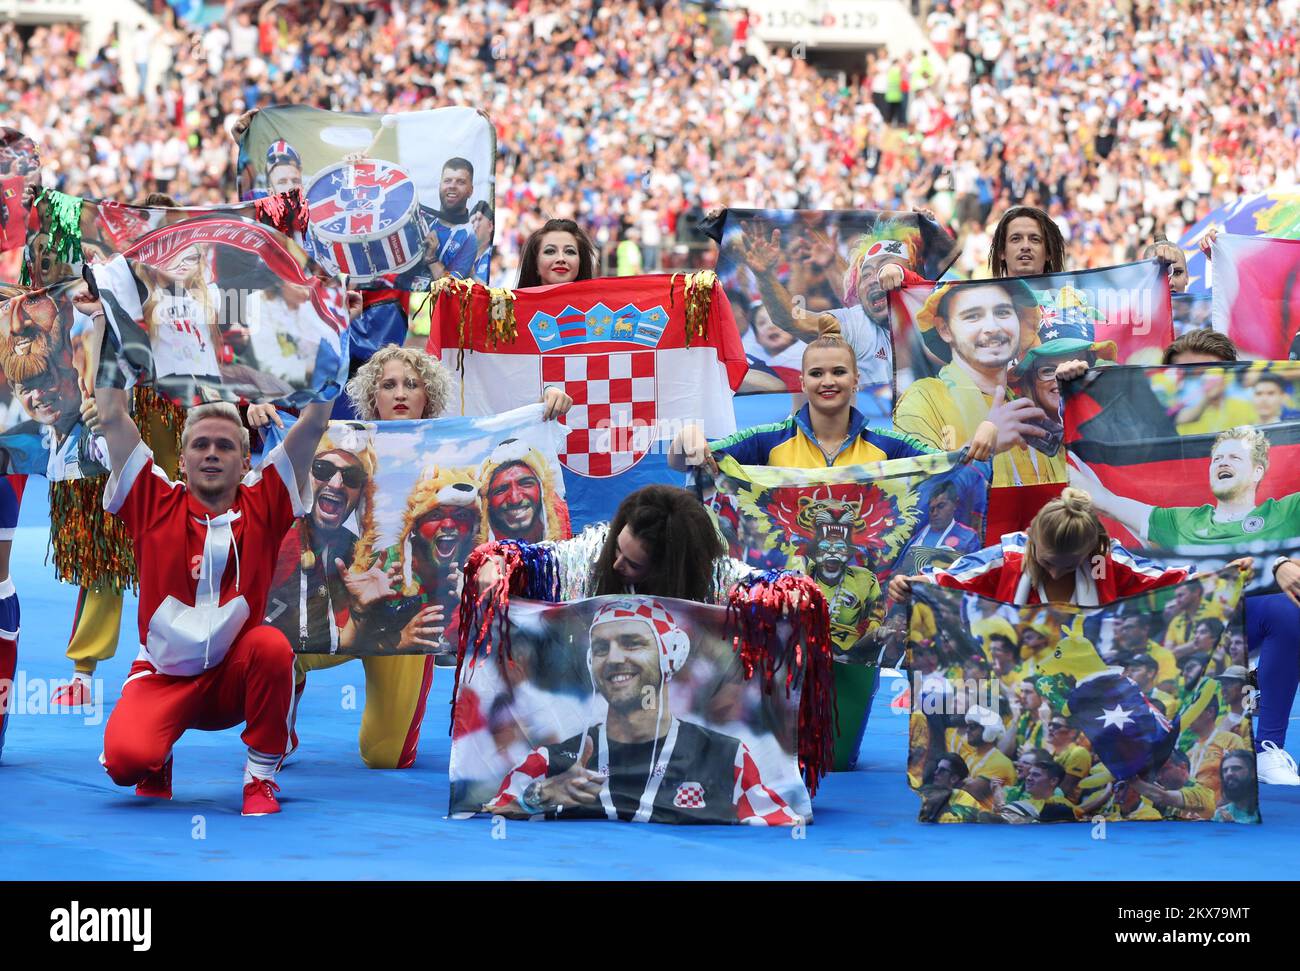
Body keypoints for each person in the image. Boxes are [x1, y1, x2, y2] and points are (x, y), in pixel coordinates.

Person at [248, 345, 570, 768]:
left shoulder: (462, 451)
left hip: (405, 622)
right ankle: (278, 722)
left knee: (386, 756)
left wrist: (547, 403)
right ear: (372, 397)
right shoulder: (334, 444)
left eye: (411, 384)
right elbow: (276, 477)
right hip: (333, 607)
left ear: (428, 396)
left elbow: (510, 448)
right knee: (274, 642)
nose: (400, 393)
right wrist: (259, 417)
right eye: (389, 384)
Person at [89, 378, 332, 815]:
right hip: (163, 674)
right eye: (201, 445)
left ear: (245, 463)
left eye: (225, 446)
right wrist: (110, 317)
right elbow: (111, 415)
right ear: (181, 461)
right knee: (126, 763)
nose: (213, 453)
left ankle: (260, 777)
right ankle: (155, 756)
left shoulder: (267, 500)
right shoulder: (150, 498)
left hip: (234, 679)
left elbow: (314, 424)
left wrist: (336, 334)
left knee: (273, 646)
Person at [484, 598, 801, 824]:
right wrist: (543, 794)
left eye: (632, 643)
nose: (614, 658)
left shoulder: (726, 758)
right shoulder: (553, 760)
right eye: (601, 648)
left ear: (670, 657)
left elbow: (782, 826)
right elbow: (498, 806)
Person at [889, 488, 1237, 607]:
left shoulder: (1107, 561)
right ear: (1032, 538)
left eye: (1068, 566)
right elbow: (952, 578)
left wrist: (1225, 576)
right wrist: (912, 586)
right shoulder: (1008, 556)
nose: (1055, 572)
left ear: (1089, 552)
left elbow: (1170, 578)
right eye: (1047, 561)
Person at [894, 277, 1059, 486]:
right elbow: (912, 493)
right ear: (944, 329)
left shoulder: (1030, 400)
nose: (992, 327)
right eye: (973, 316)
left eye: (1002, 312)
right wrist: (983, 448)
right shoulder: (922, 400)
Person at [733, 220, 929, 389]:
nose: (872, 279)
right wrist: (765, 276)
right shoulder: (857, 322)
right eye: (866, 274)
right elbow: (794, 321)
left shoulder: (945, 310)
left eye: (886, 266)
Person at [424, 157, 477, 280]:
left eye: (461, 182)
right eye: (447, 180)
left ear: (471, 191)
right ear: (440, 185)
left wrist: (431, 258)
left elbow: (452, 287)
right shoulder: (422, 220)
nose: (452, 186)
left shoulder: (469, 238)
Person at [1130, 749, 1215, 820]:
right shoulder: (1162, 797)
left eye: (1164, 770)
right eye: (1157, 773)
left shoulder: (1203, 794)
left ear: (1183, 767)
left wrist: (1130, 778)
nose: (1159, 777)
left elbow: (1162, 797)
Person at [986, 205, 1065, 279]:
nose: (1025, 246)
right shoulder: (983, 293)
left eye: (1035, 239)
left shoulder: (1071, 293)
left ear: (1048, 252)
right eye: (1016, 239)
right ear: (1001, 251)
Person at [515, 219, 597, 288]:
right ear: (535, 262)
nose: (561, 258)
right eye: (550, 251)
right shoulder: (509, 306)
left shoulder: (599, 306)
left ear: (581, 261)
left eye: (569, 251)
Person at [913, 480, 981, 554]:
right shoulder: (917, 537)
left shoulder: (968, 537)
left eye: (941, 506)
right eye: (932, 509)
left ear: (955, 504)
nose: (935, 513)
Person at [1214, 749, 1260, 823]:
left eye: (1236, 768)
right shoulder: (1221, 814)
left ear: (1253, 773)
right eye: (1225, 770)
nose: (1229, 773)